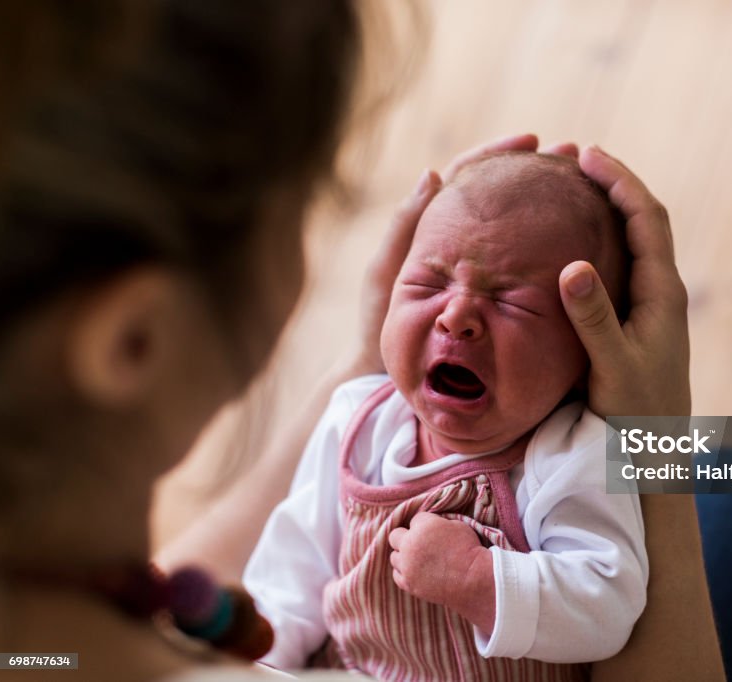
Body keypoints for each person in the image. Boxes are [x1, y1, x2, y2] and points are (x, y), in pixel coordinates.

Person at [0, 1, 732, 681]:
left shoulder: (38, 640)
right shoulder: (390, 435)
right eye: (303, 205)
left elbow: (240, 585)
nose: (455, 316)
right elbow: (294, 562)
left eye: (514, 305)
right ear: (134, 339)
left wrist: (366, 362)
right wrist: (654, 449)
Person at [244, 152, 647, 677]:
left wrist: (479, 578)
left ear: (587, 353)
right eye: (428, 285)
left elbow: (609, 606)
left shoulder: (575, 453)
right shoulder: (357, 423)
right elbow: (289, 576)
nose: (456, 317)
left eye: (513, 302)